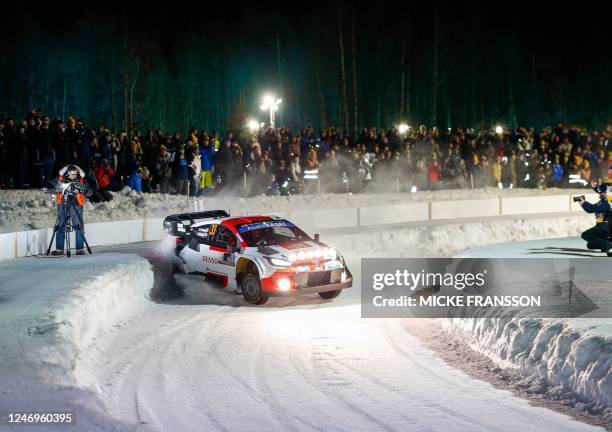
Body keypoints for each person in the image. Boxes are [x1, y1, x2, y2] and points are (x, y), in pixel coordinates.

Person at [51, 165, 90, 256]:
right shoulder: (61, 180)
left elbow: (90, 191)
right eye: (72, 174)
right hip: (63, 205)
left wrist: (80, 191)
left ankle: (79, 249)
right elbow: (53, 185)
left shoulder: (80, 181)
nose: (74, 176)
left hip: (76, 206)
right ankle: (59, 249)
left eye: (75, 174)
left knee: (78, 227)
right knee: (61, 226)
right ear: (67, 173)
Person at [578, 183, 612, 255]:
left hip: (606, 227)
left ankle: (607, 244)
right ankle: (608, 242)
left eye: (604, 192)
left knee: (585, 235)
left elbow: (594, 208)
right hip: (602, 227)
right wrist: (582, 202)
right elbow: (590, 209)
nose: (601, 194)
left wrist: (583, 203)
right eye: (601, 193)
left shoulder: (609, 203)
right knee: (590, 245)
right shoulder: (602, 202)